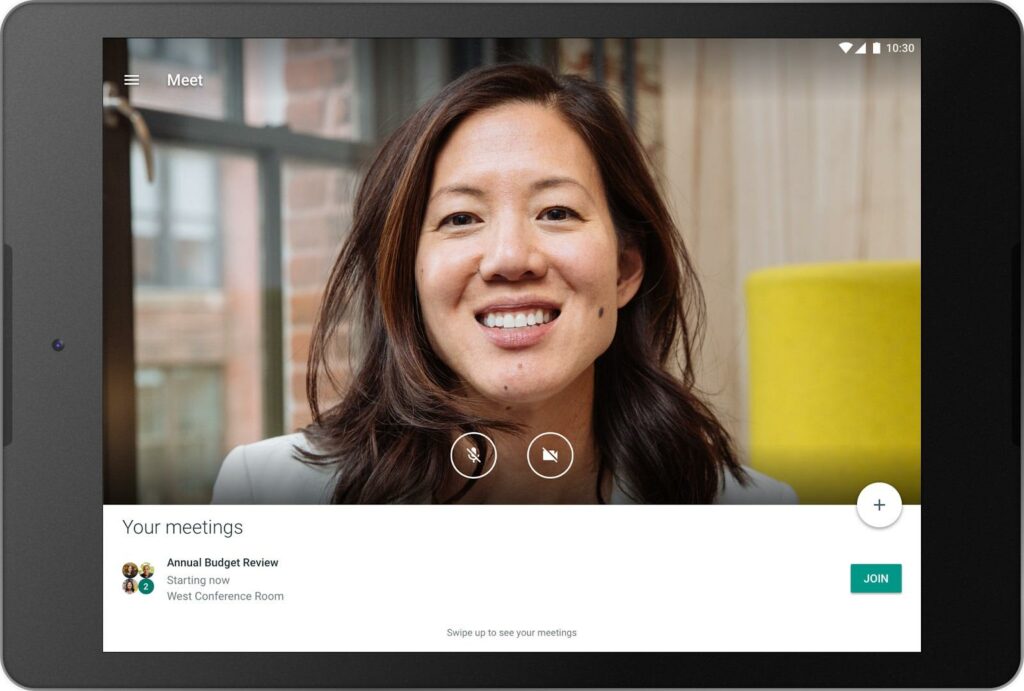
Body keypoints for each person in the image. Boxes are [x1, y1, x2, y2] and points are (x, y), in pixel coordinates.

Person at [212, 63, 796, 506]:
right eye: (461, 219)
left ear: (625, 270)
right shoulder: (268, 496)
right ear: (408, 278)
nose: (511, 257)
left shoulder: (758, 516)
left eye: (557, 212)